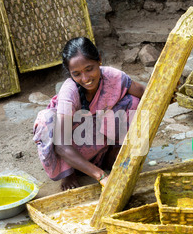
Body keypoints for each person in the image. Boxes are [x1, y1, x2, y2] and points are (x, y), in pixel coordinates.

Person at [33, 37, 145, 191]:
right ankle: (68, 171)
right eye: (77, 73)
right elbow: (61, 145)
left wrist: (167, 94)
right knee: (47, 120)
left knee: (132, 102)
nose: (85, 79)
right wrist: (101, 176)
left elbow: (144, 93)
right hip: (72, 148)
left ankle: (110, 155)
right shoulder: (69, 92)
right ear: (70, 73)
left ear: (99, 60)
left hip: (98, 140)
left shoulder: (113, 76)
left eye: (89, 69)